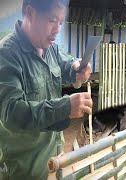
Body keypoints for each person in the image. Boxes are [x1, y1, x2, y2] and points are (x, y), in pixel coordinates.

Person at [0, 0, 93, 179]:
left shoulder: (49, 48)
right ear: (30, 13)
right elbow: (11, 113)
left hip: (54, 157)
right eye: (52, 20)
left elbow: (65, 62)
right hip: (24, 167)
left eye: (60, 22)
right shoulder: (7, 55)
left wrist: (77, 67)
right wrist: (65, 107)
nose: (57, 29)